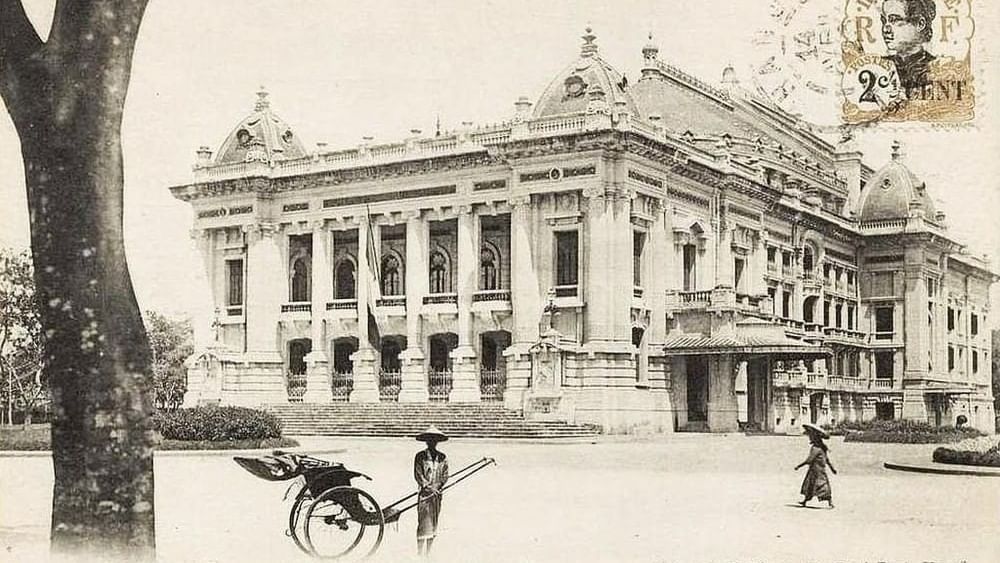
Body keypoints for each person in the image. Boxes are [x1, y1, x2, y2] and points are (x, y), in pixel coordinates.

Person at [880, 0, 937, 92]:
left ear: (920, 24)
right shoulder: (878, 66)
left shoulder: (937, 68)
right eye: (884, 21)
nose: (885, 29)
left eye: (894, 20)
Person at [414, 425, 449, 557]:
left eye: (434, 440)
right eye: (430, 440)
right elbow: (418, 475)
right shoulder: (420, 457)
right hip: (424, 495)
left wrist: (437, 487)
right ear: (426, 441)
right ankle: (419, 553)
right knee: (423, 523)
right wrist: (428, 487)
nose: (432, 442)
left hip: (437, 495)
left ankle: (428, 553)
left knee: (434, 522)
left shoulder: (442, 457)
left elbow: (445, 475)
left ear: (437, 442)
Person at [795, 422, 838, 509]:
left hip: (816, 470)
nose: (810, 437)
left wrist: (799, 466)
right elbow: (827, 460)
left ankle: (830, 502)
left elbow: (809, 460)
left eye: (811, 436)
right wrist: (832, 468)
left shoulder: (816, 448)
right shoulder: (822, 447)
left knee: (818, 485)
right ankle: (805, 501)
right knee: (812, 485)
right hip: (819, 470)